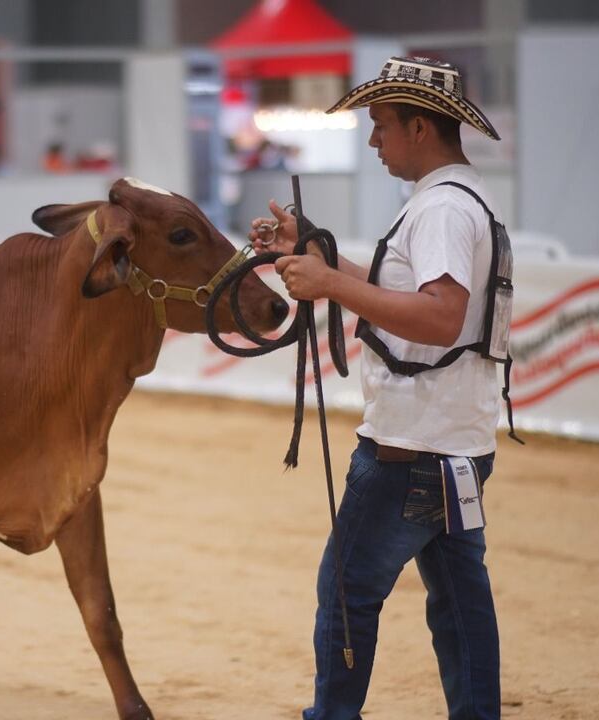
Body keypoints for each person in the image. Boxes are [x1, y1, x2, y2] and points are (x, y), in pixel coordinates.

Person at [249, 56, 509, 719]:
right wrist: (314, 252)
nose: (374, 141)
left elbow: (442, 316)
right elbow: (411, 299)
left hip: (407, 449)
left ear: (420, 128)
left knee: (345, 591)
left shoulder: (442, 210)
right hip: (456, 444)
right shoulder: (459, 201)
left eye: (382, 126)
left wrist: (332, 284)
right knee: (459, 605)